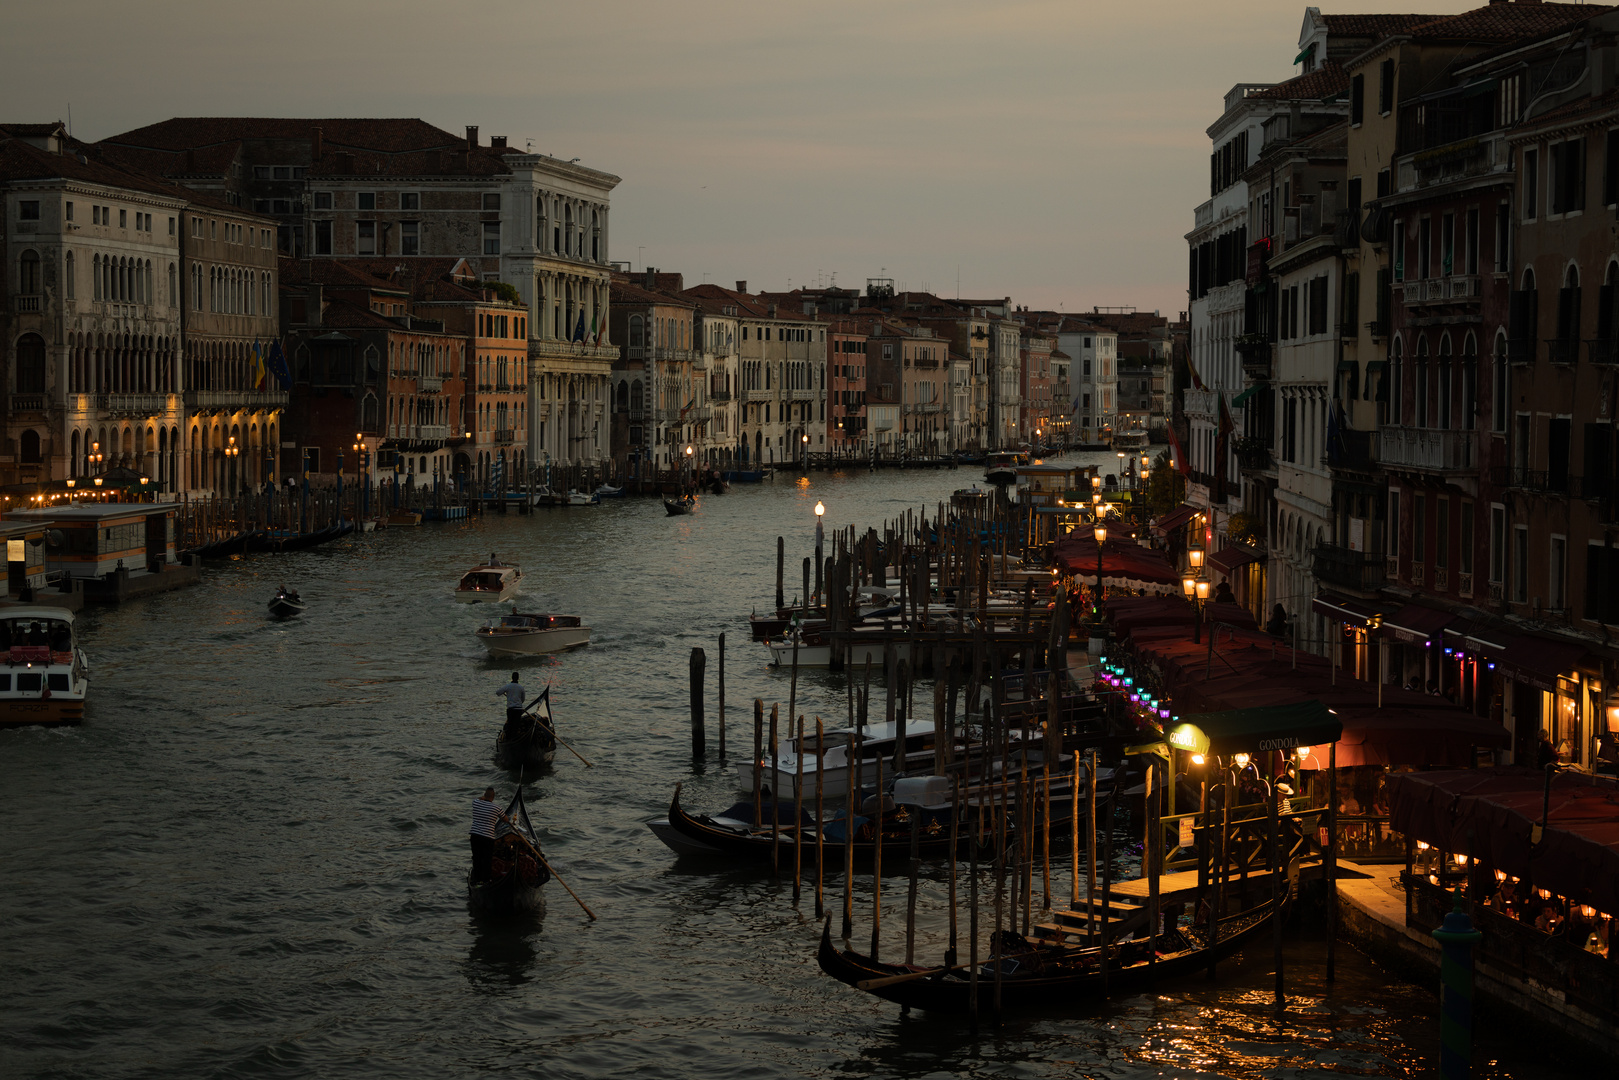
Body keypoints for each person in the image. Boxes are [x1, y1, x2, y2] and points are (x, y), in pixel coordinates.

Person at [469, 787, 508, 882]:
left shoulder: (476, 802)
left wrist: (483, 797)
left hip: (475, 835)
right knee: (487, 859)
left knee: (477, 858)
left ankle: (477, 880)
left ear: (484, 795)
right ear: (493, 797)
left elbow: (478, 798)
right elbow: (505, 819)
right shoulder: (497, 808)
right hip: (488, 837)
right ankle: (485, 880)